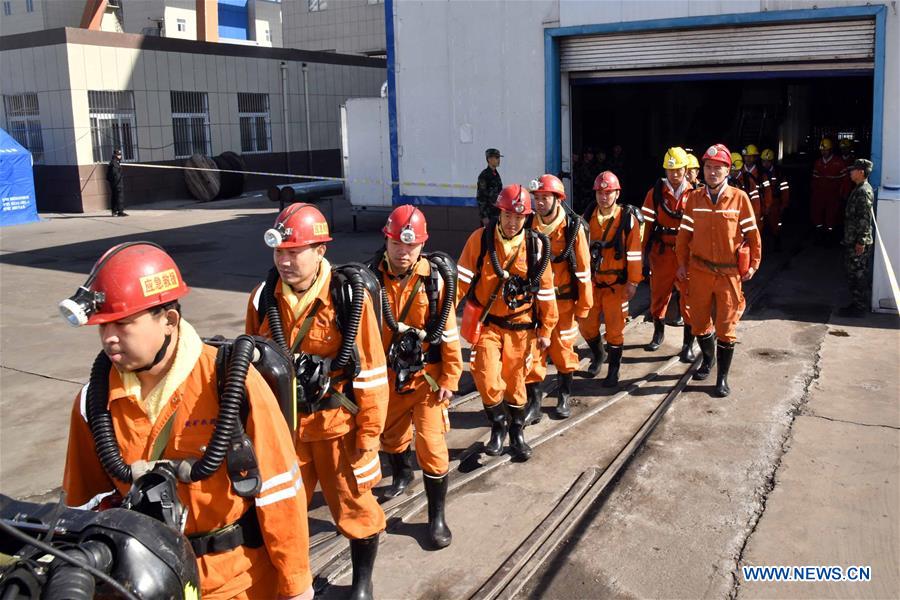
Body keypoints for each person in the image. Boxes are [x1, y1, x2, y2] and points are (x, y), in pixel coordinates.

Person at [60, 242, 312, 600]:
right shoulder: (93, 402)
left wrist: (297, 586)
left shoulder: (229, 381)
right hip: (141, 580)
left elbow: (279, 491)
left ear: (169, 320)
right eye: (103, 327)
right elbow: (82, 503)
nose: (109, 339)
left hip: (233, 581)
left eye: (123, 323)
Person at [245, 204, 388, 600]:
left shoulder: (346, 297)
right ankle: (294, 586)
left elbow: (373, 373)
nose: (285, 261)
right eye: (280, 252)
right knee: (282, 513)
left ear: (320, 251)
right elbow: (251, 366)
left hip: (336, 428)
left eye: (295, 252)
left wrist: (370, 437)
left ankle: (362, 583)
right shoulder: (262, 298)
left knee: (354, 506)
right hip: (285, 431)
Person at [367, 205, 462, 548]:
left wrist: (451, 379)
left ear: (422, 245)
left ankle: (436, 517)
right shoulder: (369, 278)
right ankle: (402, 472)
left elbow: (449, 333)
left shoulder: (435, 281)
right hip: (388, 377)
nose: (402, 251)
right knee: (389, 436)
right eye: (396, 243)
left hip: (427, 378)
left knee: (432, 444)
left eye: (410, 245)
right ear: (386, 240)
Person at [457, 184, 558, 461]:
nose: (513, 222)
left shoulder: (536, 246)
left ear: (527, 218)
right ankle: (498, 426)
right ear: (499, 213)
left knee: (516, 383)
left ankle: (516, 433)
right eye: (508, 215)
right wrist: (443, 317)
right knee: (487, 377)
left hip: (522, 327)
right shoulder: (479, 240)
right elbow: (461, 281)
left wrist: (546, 329)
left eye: (519, 217)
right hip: (489, 324)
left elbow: (546, 291)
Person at [676, 144, 762, 397]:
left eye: (718, 168)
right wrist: (681, 265)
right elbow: (684, 236)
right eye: (708, 167)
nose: (712, 172)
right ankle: (708, 359)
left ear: (727, 171)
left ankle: (722, 378)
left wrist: (754, 263)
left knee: (726, 327)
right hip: (699, 271)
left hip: (728, 275)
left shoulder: (739, 198)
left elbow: (752, 234)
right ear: (702, 170)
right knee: (699, 323)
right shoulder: (694, 199)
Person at [524, 174, 592, 421]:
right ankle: (534, 403)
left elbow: (584, 270)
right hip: (535, 305)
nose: (540, 202)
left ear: (558, 199)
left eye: (545, 198)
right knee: (533, 352)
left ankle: (563, 395)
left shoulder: (573, 228)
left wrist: (584, 306)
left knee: (563, 351)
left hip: (564, 303)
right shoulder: (528, 225)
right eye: (537, 198)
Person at [578, 171, 643, 388]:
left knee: (615, 330)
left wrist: (633, 282)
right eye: (600, 192)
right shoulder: (586, 218)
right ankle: (598, 355)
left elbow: (634, 253)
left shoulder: (627, 219)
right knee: (587, 326)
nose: (604, 197)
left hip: (617, 285)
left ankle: (613, 370)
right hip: (593, 284)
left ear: (617, 193)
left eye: (608, 192)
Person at [641, 147, 695, 362]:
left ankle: (687, 344)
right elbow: (645, 227)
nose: (674, 174)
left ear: (685, 169)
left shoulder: (695, 194)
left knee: (688, 298)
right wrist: (640, 259)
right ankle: (658, 333)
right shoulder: (654, 194)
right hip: (661, 252)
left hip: (686, 254)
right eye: (670, 170)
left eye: (678, 170)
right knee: (659, 294)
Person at [838, 158, 875, 318]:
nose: (851, 172)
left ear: (861, 172)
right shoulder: (859, 188)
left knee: (858, 274)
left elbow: (865, 219)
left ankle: (859, 307)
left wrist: (861, 242)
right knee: (853, 273)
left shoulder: (863, 191)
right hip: (853, 240)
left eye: (853, 170)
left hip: (858, 243)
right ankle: (856, 303)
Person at [810, 138, 849, 244]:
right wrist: (814, 194)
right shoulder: (818, 163)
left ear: (830, 150)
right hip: (819, 195)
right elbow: (814, 180)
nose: (823, 152)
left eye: (826, 150)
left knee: (831, 216)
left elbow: (845, 181)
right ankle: (819, 235)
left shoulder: (839, 162)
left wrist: (843, 194)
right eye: (822, 150)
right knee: (817, 214)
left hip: (834, 196)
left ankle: (830, 237)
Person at [759, 148, 791, 246]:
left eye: (767, 161)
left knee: (775, 223)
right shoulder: (759, 173)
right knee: (760, 223)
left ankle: (777, 240)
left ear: (772, 161)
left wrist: (784, 204)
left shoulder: (778, 173)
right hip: (761, 201)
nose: (765, 163)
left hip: (775, 201)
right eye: (763, 161)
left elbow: (784, 189)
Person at [477, 148, 503, 227]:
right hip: (489, 214)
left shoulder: (496, 174)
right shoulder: (484, 175)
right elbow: (481, 197)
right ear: (489, 159)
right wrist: (484, 216)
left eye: (499, 158)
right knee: (487, 237)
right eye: (497, 158)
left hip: (496, 213)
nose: (499, 160)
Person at [106, 148, 127, 217]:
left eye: (120, 154)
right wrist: (117, 183)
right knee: (119, 197)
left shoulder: (115, 162)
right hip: (117, 183)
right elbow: (115, 174)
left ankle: (114, 211)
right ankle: (120, 212)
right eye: (118, 154)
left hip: (115, 183)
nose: (120, 156)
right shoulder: (114, 163)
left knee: (115, 197)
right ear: (115, 155)